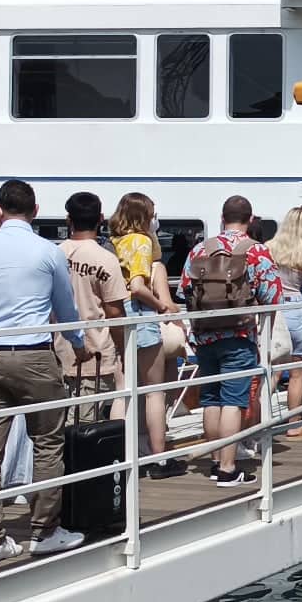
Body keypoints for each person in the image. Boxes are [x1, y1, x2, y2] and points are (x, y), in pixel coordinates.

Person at [0, 179, 86, 564]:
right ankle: (45, 532)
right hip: (35, 356)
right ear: (35, 210)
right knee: (47, 444)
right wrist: (77, 342)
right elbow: (65, 306)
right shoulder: (48, 251)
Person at [180, 195, 284, 486]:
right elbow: (272, 297)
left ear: (222, 217)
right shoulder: (256, 251)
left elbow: (186, 291)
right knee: (234, 401)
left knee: (211, 398)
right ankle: (228, 468)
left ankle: (215, 462)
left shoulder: (200, 249)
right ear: (250, 220)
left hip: (204, 335)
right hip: (239, 335)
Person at [109, 192, 185, 478]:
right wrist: (162, 305)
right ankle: (159, 459)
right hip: (140, 316)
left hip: (117, 318)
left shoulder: (113, 243)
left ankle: (117, 455)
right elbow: (138, 286)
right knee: (155, 391)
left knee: (124, 389)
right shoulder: (139, 242)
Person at [56, 192, 129, 425]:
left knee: (56, 421)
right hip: (96, 352)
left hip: (56, 351)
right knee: (85, 424)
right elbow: (115, 311)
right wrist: (124, 349)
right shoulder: (106, 259)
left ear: (69, 219)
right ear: (101, 218)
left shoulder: (54, 254)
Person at [266, 207, 302, 439]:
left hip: (275, 310)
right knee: (297, 372)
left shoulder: (269, 247)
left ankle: (258, 418)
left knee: (272, 370)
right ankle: (294, 425)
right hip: (297, 308)